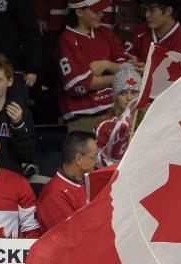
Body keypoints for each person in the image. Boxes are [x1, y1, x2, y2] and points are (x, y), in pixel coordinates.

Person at [57, 0, 136, 131]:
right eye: (96, 11)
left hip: (116, 112)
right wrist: (117, 75)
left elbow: (129, 69)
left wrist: (105, 65)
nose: (101, 14)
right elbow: (80, 85)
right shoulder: (67, 40)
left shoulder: (106, 33)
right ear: (79, 12)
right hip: (85, 118)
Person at [37, 132, 96, 232]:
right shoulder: (53, 195)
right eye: (94, 157)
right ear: (78, 159)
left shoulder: (88, 182)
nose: (97, 162)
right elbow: (71, 237)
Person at [94, 64, 141, 167]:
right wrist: (116, 142)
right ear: (115, 98)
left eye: (134, 92)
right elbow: (97, 163)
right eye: (123, 93)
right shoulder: (104, 126)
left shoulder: (150, 119)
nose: (129, 98)